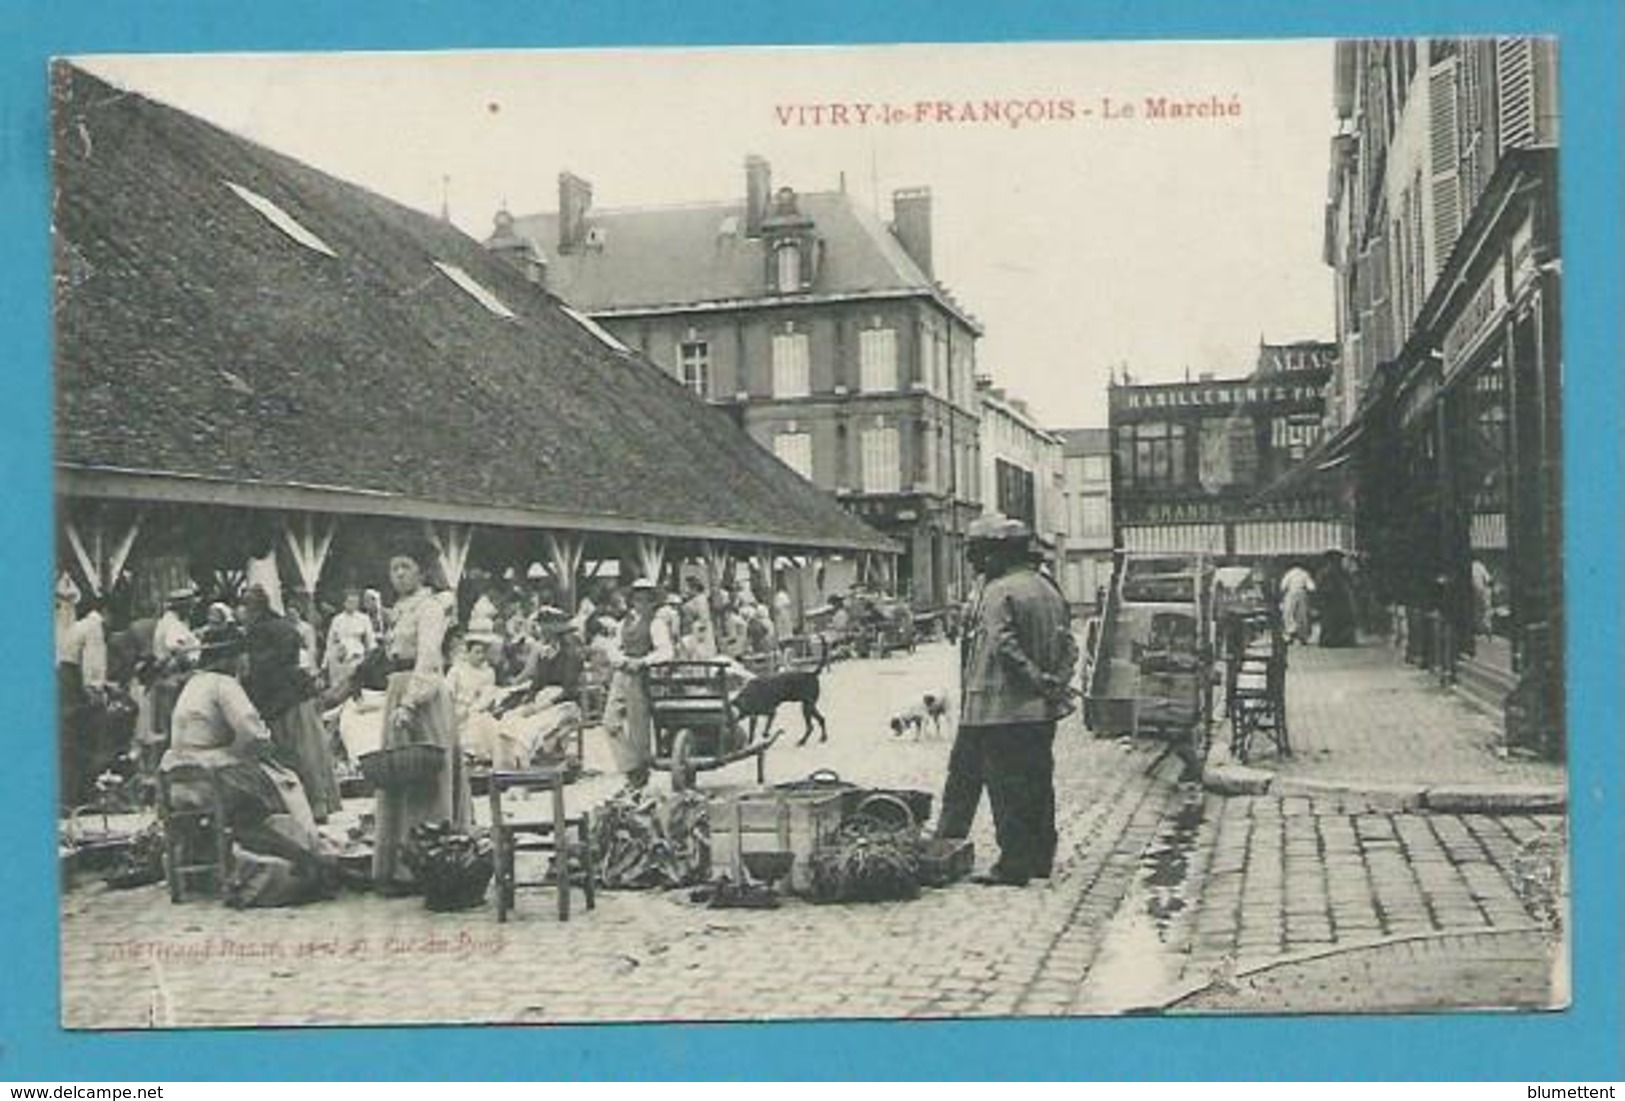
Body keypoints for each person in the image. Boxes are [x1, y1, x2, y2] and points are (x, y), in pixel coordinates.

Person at [935, 517, 1078, 888]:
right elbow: (1070, 645)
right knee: (1037, 783)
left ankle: (1012, 864)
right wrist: (1055, 683)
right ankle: (1040, 858)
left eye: (977, 553)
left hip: (997, 711)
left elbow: (1004, 647)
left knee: (1006, 789)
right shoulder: (1049, 587)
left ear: (998, 554)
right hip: (1038, 711)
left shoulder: (998, 592)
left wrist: (1034, 678)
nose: (972, 562)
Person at [160, 629, 338, 889]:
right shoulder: (225, 684)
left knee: (257, 783)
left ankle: (215, 858)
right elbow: (253, 733)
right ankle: (302, 855)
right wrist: (269, 750)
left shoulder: (193, 684)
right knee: (284, 782)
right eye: (244, 658)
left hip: (176, 776)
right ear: (235, 659)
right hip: (208, 778)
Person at [371, 549, 472, 894]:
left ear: (421, 572)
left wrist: (411, 703)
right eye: (393, 568)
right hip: (397, 688)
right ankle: (399, 864)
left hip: (422, 696)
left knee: (425, 778)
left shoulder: (430, 608)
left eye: (405, 567)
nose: (398, 574)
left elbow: (429, 660)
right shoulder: (399, 610)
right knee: (400, 775)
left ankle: (428, 863)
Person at [239, 585, 342, 821]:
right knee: (310, 751)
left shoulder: (259, 632)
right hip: (296, 693)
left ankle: (309, 806)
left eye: (247, 606)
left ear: (255, 609)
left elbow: (262, 669)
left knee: (293, 754)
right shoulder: (283, 626)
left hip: (281, 698)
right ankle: (319, 803)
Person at [602, 578, 678, 790]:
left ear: (652, 600)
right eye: (637, 597)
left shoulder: (656, 622)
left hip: (641, 675)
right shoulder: (624, 622)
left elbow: (666, 651)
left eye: (645, 598)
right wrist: (619, 659)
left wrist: (643, 661)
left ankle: (639, 776)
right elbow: (612, 648)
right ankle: (631, 766)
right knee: (610, 722)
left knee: (638, 727)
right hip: (621, 673)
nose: (640, 602)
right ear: (631, 599)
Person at [57, 591, 110, 805]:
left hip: (64, 685)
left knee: (68, 744)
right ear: (106, 612)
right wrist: (98, 695)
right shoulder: (94, 627)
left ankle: (70, 796)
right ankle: (82, 796)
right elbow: (92, 666)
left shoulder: (76, 627)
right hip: (74, 690)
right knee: (83, 743)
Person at [324, 589, 378, 690]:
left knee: (354, 684)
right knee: (337, 686)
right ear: (344, 603)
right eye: (350, 602)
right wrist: (325, 663)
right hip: (339, 657)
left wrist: (372, 657)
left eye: (355, 602)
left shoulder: (364, 618)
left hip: (357, 656)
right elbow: (330, 641)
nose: (353, 605)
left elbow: (370, 639)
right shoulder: (337, 619)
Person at [1315, 550, 1358, 648]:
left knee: (1334, 621)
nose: (1337, 562)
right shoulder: (1329, 572)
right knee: (1331, 621)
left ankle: (1333, 640)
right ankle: (1332, 640)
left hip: (1337, 601)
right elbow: (1321, 586)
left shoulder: (1336, 572)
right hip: (1331, 600)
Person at [1279, 561, 1317, 644]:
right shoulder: (1304, 574)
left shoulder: (1289, 573)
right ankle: (1303, 636)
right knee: (1303, 615)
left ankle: (1290, 633)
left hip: (1291, 593)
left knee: (1289, 613)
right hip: (1302, 593)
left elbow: (1282, 586)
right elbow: (1312, 587)